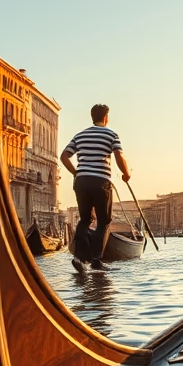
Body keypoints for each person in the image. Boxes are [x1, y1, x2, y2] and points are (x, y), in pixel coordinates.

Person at [60, 103, 131, 273]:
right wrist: (126, 173)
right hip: (101, 182)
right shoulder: (111, 134)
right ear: (106, 117)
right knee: (103, 221)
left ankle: (78, 257)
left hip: (82, 181)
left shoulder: (80, 135)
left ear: (92, 117)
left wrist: (76, 173)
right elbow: (119, 155)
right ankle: (96, 260)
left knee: (85, 220)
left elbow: (64, 156)